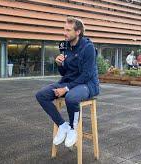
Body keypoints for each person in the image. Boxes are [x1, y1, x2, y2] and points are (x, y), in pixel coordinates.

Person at [35, 17, 99, 148]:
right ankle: (62, 125)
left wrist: (66, 89)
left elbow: (86, 75)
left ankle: (72, 128)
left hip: (87, 84)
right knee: (41, 95)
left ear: (78, 32)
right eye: (64, 29)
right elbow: (65, 73)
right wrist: (59, 64)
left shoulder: (88, 48)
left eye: (68, 30)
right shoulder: (64, 46)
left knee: (71, 97)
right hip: (70, 81)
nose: (64, 33)